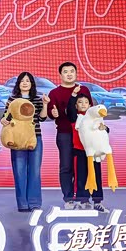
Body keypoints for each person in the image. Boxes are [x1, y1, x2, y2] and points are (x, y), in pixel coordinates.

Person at [1, 72, 49, 212]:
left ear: (32, 84)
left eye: (27, 81)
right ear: (18, 84)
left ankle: (34, 203)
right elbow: (6, 117)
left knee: (34, 171)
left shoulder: (37, 99)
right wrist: (3, 121)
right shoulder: (12, 99)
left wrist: (45, 104)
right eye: (22, 81)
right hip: (17, 139)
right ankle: (22, 204)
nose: (25, 83)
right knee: (19, 171)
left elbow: (42, 118)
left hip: (35, 137)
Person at [47, 62, 92, 209]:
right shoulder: (54, 93)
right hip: (65, 134)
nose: (69, 74)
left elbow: (91, 111)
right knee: (66, 166)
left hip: (83, 134)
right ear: (60, 75)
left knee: (83, 166)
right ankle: (68, 198)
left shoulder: (83, 89)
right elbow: (50, 113)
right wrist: (53, 113)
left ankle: (83, 198)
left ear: (76, 73)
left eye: (72, 71)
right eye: (65, 72)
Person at [67, 86, 110, 213]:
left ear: (90, 105)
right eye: (80, 102)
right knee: (81, 177)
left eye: (86, 102)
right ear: (76, 106)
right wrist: (73, 95)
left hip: (94, 153)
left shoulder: (95, 118)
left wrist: (105, 128)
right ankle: (83, 200)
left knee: (96, 176)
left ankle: (97, 201)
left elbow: (105, 129)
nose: (83, 104)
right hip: (80, 151)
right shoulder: (75, 117)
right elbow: (70, 109)